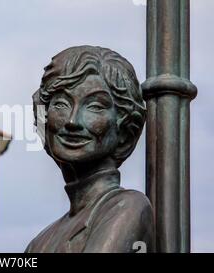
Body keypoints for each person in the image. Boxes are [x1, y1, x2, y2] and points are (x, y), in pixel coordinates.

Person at [26, 45, 154, 253]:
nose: (73, 121)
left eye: (95, 106)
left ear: (126, 131)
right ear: (44, 120)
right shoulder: (40, 242)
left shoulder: (127, 208)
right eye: (61, 104)